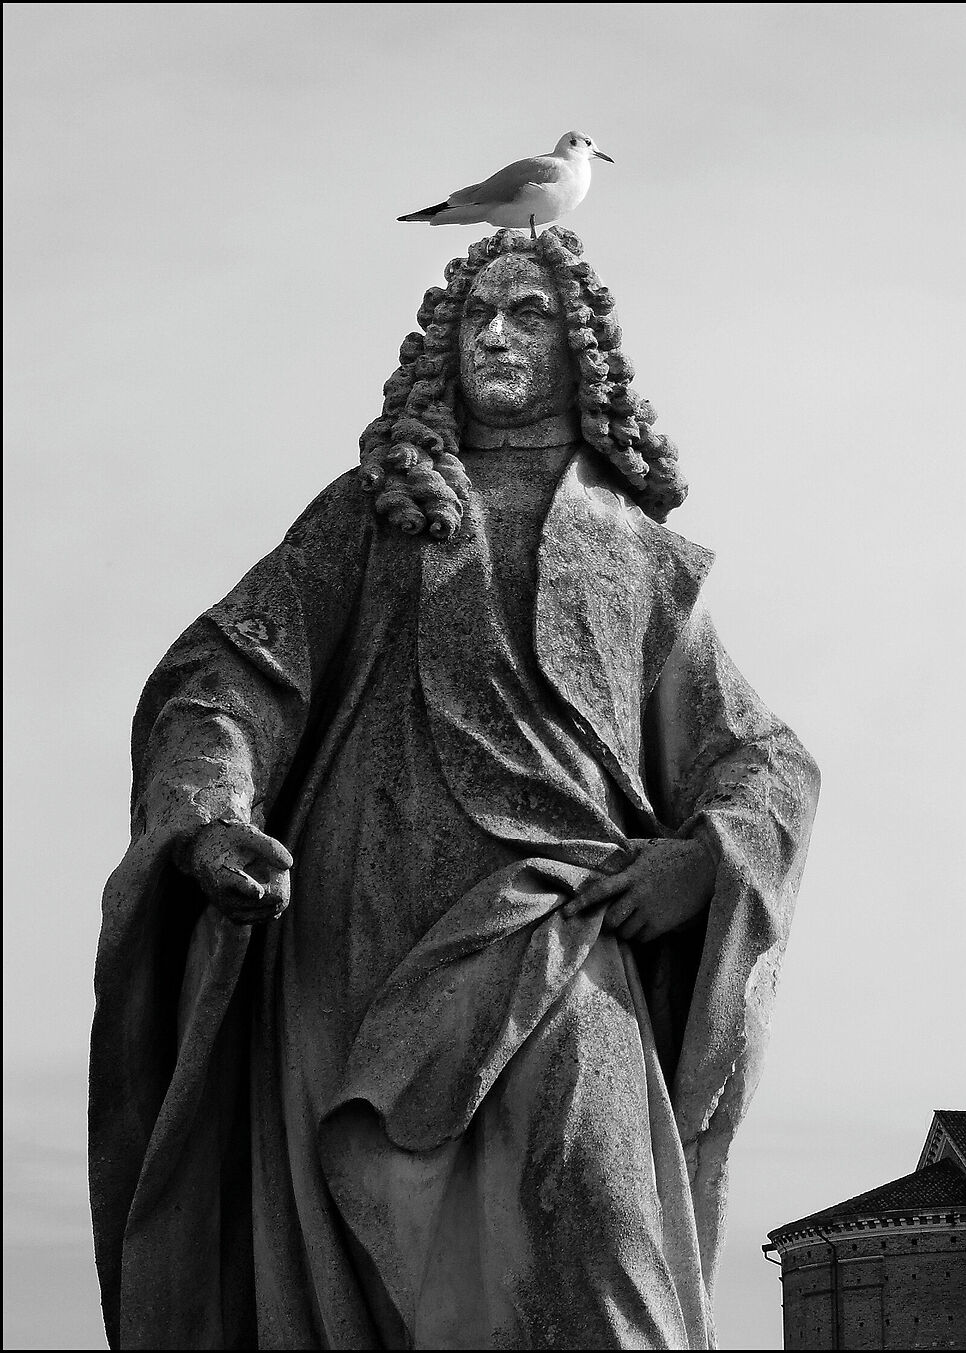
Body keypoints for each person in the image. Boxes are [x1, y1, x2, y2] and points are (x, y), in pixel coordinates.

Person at [90, 228, 819, 1349]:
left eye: (528, 313)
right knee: (375, 1260)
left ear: (582, 353)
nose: (495, 332)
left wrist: (705, 858)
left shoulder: (643, 561)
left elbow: (760, 757)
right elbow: (229, 676)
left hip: (564, 926)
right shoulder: (369, 517)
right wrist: (209, 818)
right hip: (352, 932)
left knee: (603, 1228)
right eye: (477, 314)